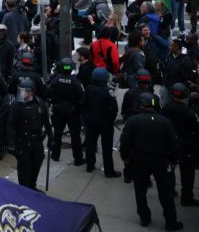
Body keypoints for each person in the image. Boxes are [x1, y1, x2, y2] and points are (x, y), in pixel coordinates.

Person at [119, 92, 182, 230]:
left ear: (140, 105)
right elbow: (174, 145)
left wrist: (125, 158)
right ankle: (171, 222)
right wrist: (173, 160)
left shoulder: (133, 121)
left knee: (140, 191)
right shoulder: (165, 122)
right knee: (165, 192)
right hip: (160, 160)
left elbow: (125, 142)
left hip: (139, 160)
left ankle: (144, 218)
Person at [7, 77, 52, 190]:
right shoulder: (17, 105)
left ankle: (32, 186)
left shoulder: (40, 103)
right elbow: (10, 125)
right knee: (24, 170)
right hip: (23, 143)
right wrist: (11, 143)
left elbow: (46, 121)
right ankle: (25, 191)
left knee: (36, 165)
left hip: (37, 141)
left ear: (32, 91)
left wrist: (51, 138)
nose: (23, 93)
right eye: (21, 90)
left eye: (25, 91)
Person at [163, 82, 199, 207]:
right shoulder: (190, 113)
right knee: (187, 173)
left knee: (169, 169)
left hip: (170, 143)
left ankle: (170, 191)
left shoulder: (166, 108)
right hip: (186, 146)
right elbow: (196, 129)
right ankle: (187, 197)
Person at [83, 67, 121, 177]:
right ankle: (109, 171)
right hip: (105, 122)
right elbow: (114, 108)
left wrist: (86, 117)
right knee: (107, 147)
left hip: (90, 120)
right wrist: (110, 120)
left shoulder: (88, 89)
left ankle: (90, 166)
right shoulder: (107, 91)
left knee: (90, 144)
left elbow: (84, 104)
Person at [47, 57, 85, 166]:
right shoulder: (76, 82)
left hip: (58, 110)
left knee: (57, 133)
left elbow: (49, 93)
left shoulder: (55, 80)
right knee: (75, 135)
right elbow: (81, 98)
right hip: (72, 111)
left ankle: (55, 155)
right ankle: (78, 158)